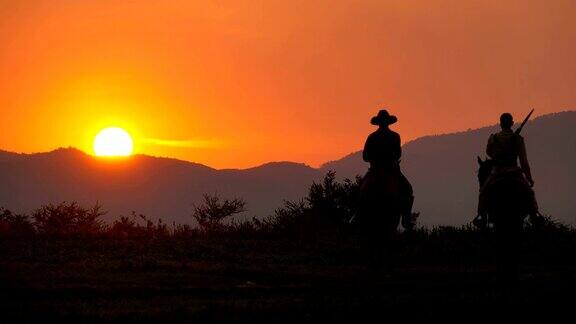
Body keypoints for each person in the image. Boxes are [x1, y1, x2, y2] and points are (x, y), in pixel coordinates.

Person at [476, 113, 540, 224]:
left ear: (500, 124)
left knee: (483, 192)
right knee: (530, 193)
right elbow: (523, 162)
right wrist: (529, 179)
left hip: (497, 172)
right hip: (514, 172)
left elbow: (489, 153)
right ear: (512, 123)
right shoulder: (518, 139)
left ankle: (481, 217)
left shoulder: (493, 138)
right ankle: (534, 215)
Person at [361, 109, 414, 228]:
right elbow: (398, 155)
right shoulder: (395, 136)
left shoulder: (372, 137)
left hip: (374, 171)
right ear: (388, 122)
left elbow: (365, 156)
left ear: (378, 123)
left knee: (361, 189)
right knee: (407, 189)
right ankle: (406, 219)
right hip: (392, 170)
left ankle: (357, 215)